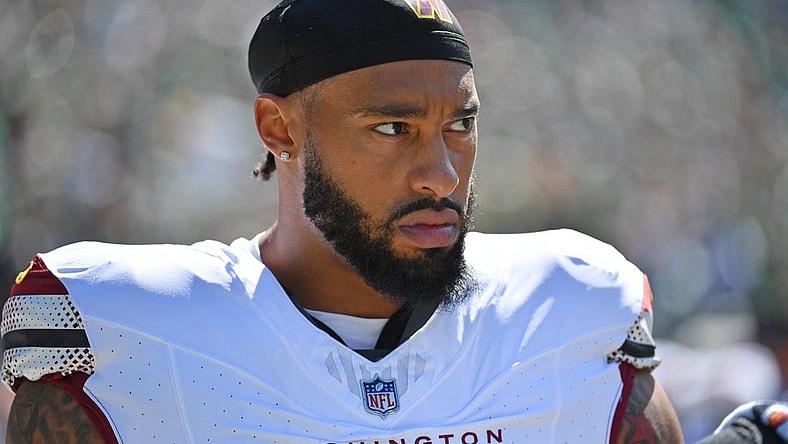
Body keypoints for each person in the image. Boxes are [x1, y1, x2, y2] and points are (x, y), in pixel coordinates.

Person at [1, 0, 685, 442]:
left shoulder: (573, 306)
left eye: (460, 125)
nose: (442, 176)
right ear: (280, 129)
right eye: (392, 128)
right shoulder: (125, 330)